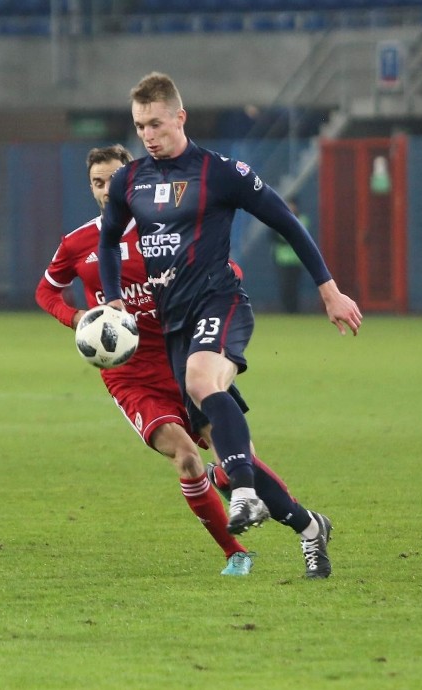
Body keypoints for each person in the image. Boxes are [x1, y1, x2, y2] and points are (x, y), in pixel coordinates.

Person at [99, 72, 362, 578]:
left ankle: (241, 490)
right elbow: (109, 241)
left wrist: (329, 289)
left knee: (204, 386)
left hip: (220, 303)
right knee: (229, 440)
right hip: (176, 325)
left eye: (156, 123)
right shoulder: (129, 181)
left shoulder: (221, 172)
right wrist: (113, 303)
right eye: (139, 126)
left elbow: (285, 220)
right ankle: (310, 528)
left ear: (181, 117)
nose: (147, 135)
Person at [36, 144, 253, 576]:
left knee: (236, 460)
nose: (105, 190)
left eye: (114, 180)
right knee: (187, 457)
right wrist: (78, 317)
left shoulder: (170, 229)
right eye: (98, 182)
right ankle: (236, 552)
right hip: (130, 375)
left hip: (186, 358)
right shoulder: (78, 243)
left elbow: (229, 272)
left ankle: (299, 521)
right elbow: (46, 292)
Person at [271, 197, 310, 314]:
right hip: (282, 260)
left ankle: (294, 309)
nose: (291, 207)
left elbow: (299, 237)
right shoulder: (278, 219)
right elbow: (273, 236)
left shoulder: (302, 219)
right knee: (285, 286)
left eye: (292, 205)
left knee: (294, 286)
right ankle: (286, 309)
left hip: (296, 260)